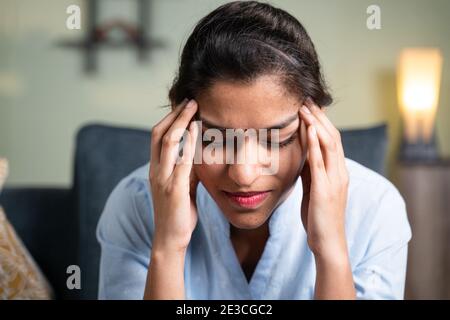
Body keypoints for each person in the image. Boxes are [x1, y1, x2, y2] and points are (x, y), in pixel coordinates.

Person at [96, 1, 412, 300]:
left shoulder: (374, 209)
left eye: (276, 139)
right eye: (214, 139)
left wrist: (330, 250)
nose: (244, 174)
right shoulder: (135, 206)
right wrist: (167, 247)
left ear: (315, 124)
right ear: (179, 119)